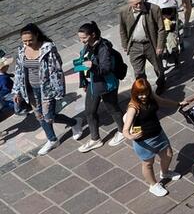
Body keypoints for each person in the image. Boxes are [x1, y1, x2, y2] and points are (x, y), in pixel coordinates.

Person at [12, 23, 79, 155]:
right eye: (24, 41)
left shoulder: (48, 49)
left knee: (49, 117)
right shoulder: (22, 50)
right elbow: (19, 71)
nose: (27, 43)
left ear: (37, 35)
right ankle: (52, 139)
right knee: (39, 116)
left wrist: (59, 90)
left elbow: (57, 70)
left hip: (46, 89)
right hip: (30, 90)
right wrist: (16, 90)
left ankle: (74, 122)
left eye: (30, 40)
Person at [122, 76, 187, 197]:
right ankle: (153, 185)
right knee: (148, 163)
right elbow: (125, 130)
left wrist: (178, 104)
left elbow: (162, 101)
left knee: (168, 154)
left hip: (158, 132)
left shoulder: (151, 96)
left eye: (145, 92)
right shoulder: (133, 107)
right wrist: (131, 136)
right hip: (143, 140)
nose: (144, 96)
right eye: (140, 94)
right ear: (134, 93)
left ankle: (165, 172)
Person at [76, 21, 127, 153]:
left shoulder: (104, 48)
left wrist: (92, 67)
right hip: (93, 84)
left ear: (93, 35)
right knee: (89, 111)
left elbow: (105, 69)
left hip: (106, 84)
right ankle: (95, 139)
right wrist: (84, 82)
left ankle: (122, 131)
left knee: (113, 108)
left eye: (84, 38)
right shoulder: (88, 46)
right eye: (80, 38)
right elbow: (83, 63)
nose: (82, 41)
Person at [119, 0, 167, 95]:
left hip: (151, 44)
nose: (139, 6)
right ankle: (144, 90)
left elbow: (161, 29)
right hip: (134, 46)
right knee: (138, 72)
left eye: (141, 3)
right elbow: (122, 30)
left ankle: (161, 83)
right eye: (136, 4)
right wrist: (125, 45)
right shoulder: (123, 11)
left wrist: (160, 46)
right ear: (130, 4)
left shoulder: (154, 9)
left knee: (158, 68)